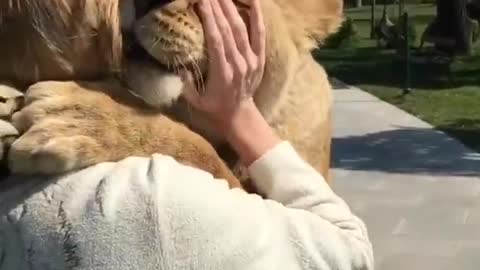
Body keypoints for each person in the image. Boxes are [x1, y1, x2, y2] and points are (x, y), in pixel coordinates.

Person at [0, 0, 374, 269]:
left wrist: (151, 134)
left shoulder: (307, 106)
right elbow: (344, 252)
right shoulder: (154, 202)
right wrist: (238, 114)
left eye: (229, 11)